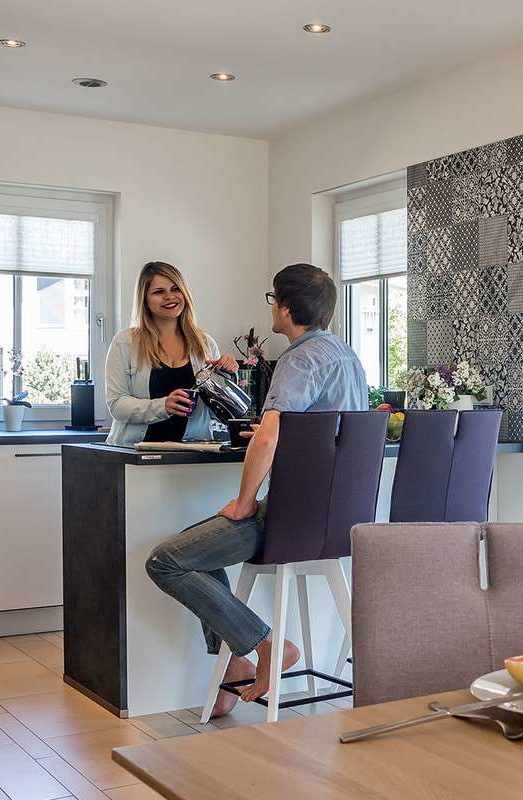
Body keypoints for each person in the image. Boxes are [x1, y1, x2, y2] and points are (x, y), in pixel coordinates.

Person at [145, 263, 368, 716]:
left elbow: (267, 436)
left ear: (285, 308)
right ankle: (235, 667)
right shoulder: (348, 357)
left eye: (273, 300)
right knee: (199, 551)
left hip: (291, 517)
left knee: (167, 560)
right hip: (336, 520)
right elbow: (326, 432)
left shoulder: (299, 358)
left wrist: (244, 503)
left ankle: (266, 644)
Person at [105, 261, 238, 445]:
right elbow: (117, 405)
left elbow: (223, 411)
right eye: (159, 292)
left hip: (191, 455)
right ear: (144, 299)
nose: (169, 296)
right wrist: (163, 406)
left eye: (175, 289)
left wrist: (227, 376)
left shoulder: (205, 343)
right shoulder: (125, 342)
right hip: (135, 456)